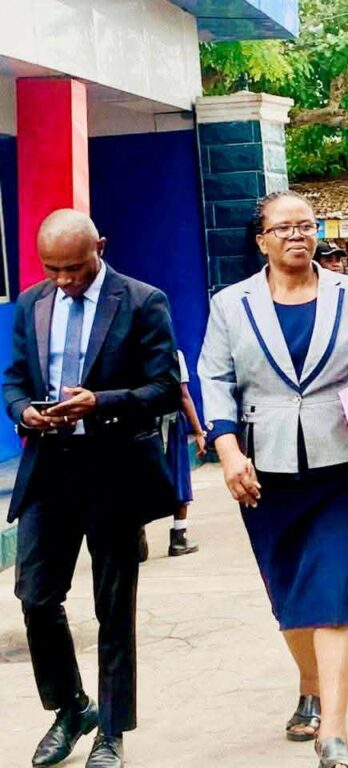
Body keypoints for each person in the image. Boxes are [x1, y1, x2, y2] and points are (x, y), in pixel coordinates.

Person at [199, 190, 348, 768]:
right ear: (261, 240)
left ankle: (333, 732)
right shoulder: (231, 304)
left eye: (306, 226)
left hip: (344, 466)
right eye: (283, 228)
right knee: (288, 595)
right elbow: (216, 380)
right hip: (264, 473)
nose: (297, 236)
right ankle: (310, 685)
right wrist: (228, 451)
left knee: (334, 587)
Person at [3, 210, 180, 768]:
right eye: (52, 269)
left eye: (74, 269)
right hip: (49, 469)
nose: (64, 281)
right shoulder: (31, 304)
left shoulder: (142, 301)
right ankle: (71, 707)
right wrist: (24, 411)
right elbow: (14, 380)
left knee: (113, 607)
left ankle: (111, 731)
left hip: (115, 471)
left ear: (99, 247)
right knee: (35, 596)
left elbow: (165, 388)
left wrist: (100, 402)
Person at [165, 350, 205, 556]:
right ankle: (179, 537)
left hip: (141, 425)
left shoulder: (131, 350)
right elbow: (184, 396)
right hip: (171, 424)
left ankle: (137, 539)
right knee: (179, 478)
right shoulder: (173, 354)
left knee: (140, 480)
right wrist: (198, 431)